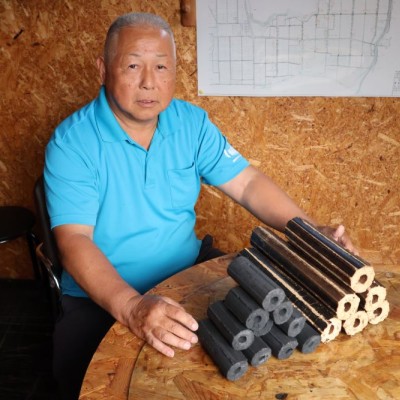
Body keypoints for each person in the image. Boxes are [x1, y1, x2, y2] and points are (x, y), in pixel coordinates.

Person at [44, 12, 357, 399]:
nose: (149, 81)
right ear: (103, 69)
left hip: (188, 272)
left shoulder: (190, 123)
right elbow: (74, 240)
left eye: (161, 66)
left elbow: (248, 184)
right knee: (90, 386)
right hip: (105, 296)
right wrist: (132, 308)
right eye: (132, 66)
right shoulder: (72, 143)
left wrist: (311, 234)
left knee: (270, 345)